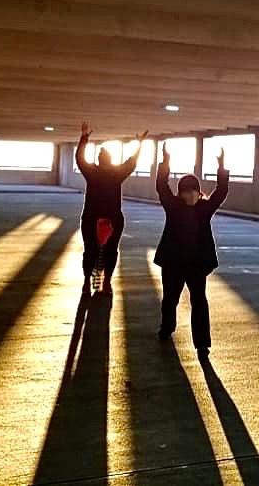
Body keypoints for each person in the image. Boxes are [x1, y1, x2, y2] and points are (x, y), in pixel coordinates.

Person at [154, 143, 229, 361]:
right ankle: (167, 327)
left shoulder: (204, 209)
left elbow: (221, 192)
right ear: (181, 192)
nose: (190, 195)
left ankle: (202, 344)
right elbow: (161, 186)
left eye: (193, 191)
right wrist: (165, 162)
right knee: (170, 299)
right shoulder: (173, 206)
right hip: (173, 264)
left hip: (196, 265)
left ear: (198, 192)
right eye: (186, 191)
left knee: (199, 302)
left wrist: (222, 167)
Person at [75, 122, 148, 295]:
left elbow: (79, 158)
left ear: (99, 160)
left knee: (91, 251)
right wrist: (140, 144)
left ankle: (88, 284)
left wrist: (84, 137)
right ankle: (105, 283)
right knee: (110, 251)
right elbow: (132, 162)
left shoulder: (92, 171)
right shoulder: (117, 173)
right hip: (113, 219)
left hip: (91, 218)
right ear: (111, 160)